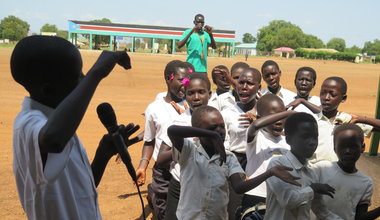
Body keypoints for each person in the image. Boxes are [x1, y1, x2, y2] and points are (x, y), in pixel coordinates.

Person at [11, 36, 139, 220]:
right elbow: (53, 140)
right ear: (48, 90)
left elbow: (82, 190)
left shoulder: (59, 124)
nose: (84, 79)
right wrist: (97, 72)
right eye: (78, 75)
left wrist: (102, 155)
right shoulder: (29, 123)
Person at [167, 106, 301, 220]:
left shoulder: (229, 157)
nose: (219, 131)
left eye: (222, 127)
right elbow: (172, 130)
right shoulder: (190, 151)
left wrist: (269, 173)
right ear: (198, 129)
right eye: (213, 127)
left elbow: (239, 187)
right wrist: (211, 135)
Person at [135, 60, 190, 219]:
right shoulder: (154, 108)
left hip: (187, 170)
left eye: (187, 80)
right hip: (163, 173)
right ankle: (154, 193)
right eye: (181, 80)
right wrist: (143, 165)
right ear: (168, 78)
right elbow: (149, 140)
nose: (185, 85)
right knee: (164, 213)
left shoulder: (192, 104)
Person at [156, 73, 212, 220]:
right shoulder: (177, 122)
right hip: (180, 185)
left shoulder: (218, 120)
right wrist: (186, 145)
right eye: (191, 93)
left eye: (201, 92)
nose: (196, 97)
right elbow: (160, 160)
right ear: (185, 96)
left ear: (210, 94)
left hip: (211, 184)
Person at [265, 112, 339, 220]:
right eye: (305, 137)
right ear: (288, 140)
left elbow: (319, 209)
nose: (312, 142)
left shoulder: (311, 172)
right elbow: (288, 200)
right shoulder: (278, 165)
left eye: (315, 137)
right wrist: (313, 188)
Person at [313, 123, 380, 220]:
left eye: (353, 146)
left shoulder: (366, 182)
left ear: (363, 148)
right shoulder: (321, 169)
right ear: (335, 148)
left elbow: (360, 217)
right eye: (342, 146)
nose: (347, 151)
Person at [221, 68, 261, 220]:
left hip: (258, 162)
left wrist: (260, 123)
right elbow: (224, 142)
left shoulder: (266, 110)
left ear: (259, 87)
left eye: (250, 83)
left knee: (255, 207)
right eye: (241, 82)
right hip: (235, 163)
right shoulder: (227, 112)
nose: (244, 87)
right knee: (234, 208)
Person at [242, 94, 293, 213]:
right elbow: (255, 125)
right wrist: (287, 114)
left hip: (280, 197)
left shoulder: (288, 141)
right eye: (274, 116)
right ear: (260, 118)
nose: (279, 121)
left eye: (281, 116)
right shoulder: (256, 137)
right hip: (256, 195)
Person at [310, 76, 380, 163]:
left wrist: (362, 119)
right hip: (313, 173)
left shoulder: (349, 120)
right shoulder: (310, 120)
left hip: (337, 174)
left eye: (333, 94)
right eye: (323, 93)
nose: (326, 98)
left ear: (343, 98)